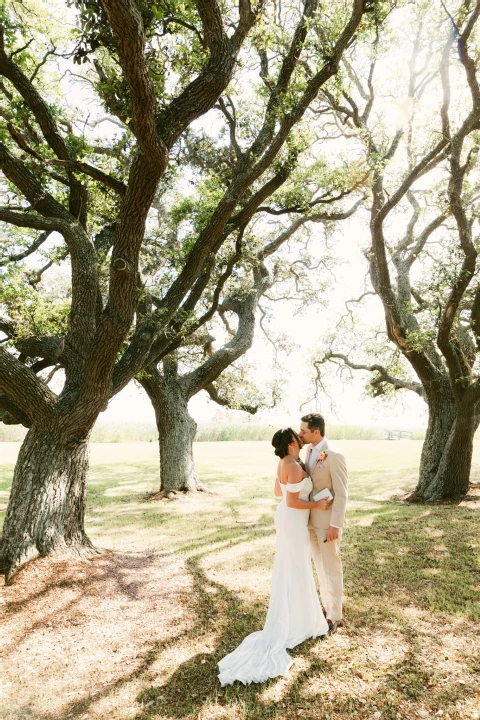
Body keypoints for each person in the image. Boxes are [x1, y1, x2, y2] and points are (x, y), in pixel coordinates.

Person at [217, 428, 331, 686]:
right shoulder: (291, 464)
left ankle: (301, 617)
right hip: (292, 520)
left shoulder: (286, 462)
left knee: (295, 568)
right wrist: (316, 504)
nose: (301, 438)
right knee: (296, 567)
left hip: (289, 520)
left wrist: (301, 489)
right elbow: (290, 501)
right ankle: (299, 622)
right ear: (291, 443)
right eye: (297, 436)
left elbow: (278, 492)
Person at [299, 413, 348, 634]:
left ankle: (335, 616)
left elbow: (341, 494)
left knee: (331, 568)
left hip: (328, 522)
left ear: (316, 432)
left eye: (304, 431)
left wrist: (335, 525)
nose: (301, 434)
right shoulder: (308, 451)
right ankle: (325, 607)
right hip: (310, 520)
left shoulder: (335, 456)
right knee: (319, 567)